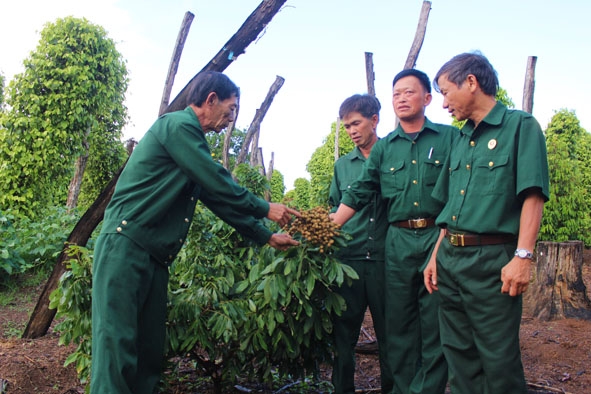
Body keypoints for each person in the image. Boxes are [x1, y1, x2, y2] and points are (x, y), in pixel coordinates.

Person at [90, 71, 300, 394]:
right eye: (230, 110)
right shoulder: (177, 127)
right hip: (125, 248)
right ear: (210, 100)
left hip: (154, 258)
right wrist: (265, 207)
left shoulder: (193, 145)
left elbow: (218, 200)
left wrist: (265, 235)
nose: (230, 120)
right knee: (115, 351)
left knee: (147, 357)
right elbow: (219, 181)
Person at [423, 52, 550, 394]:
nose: (444, 103)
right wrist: (436, 256)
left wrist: (523, 257)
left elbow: (533, 196)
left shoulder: (520, 127)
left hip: (492, 262)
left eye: (446, 92)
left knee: (498, 359)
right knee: (459, 357)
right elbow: (449, 209)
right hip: (451, 261)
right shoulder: (461, 139)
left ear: (471, 82)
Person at [331, 69, 457, 394]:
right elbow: (359, 191)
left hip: (436, 239)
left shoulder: (449, 139)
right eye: (396, 93)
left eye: (409, 92)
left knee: (433, 326)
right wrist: (324, 229)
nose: (401, 98)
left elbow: (460, 191)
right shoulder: (386, 148)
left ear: (428, 99)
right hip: (398, 242)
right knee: (398, 328)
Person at [328, 94, 393, 394]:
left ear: (375, 120)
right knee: (343, 339)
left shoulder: (394, 157)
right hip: (348, 262)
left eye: (356, 123)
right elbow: (333, 208)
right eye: (347, 126)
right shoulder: (343, 166)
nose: (352, 131)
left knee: (391, 338)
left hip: (385, 261)